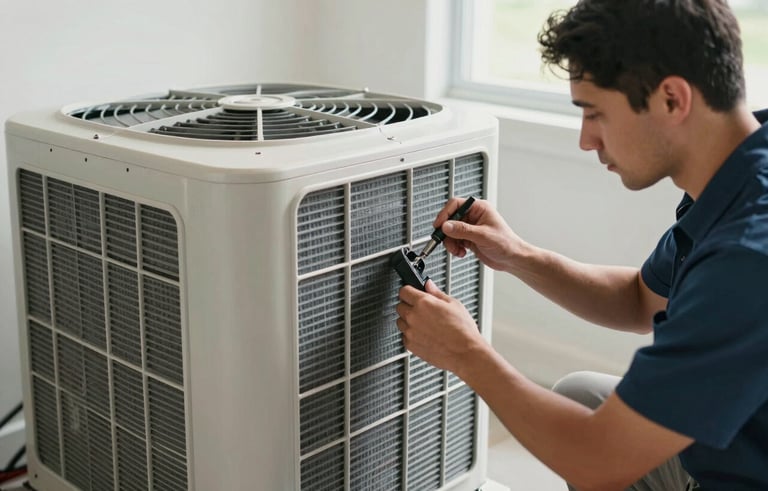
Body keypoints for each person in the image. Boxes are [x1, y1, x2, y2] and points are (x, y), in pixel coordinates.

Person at [394, 1, 768, 490]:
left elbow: (599, 462)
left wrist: (466, 353)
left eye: (595, 114)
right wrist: (517, 255)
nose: (586, 141)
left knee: (594, 445)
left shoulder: (747, 257)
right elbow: (639, 298)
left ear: (672, 99)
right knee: (578, 397)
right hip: (736, 445)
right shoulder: (736, 176)